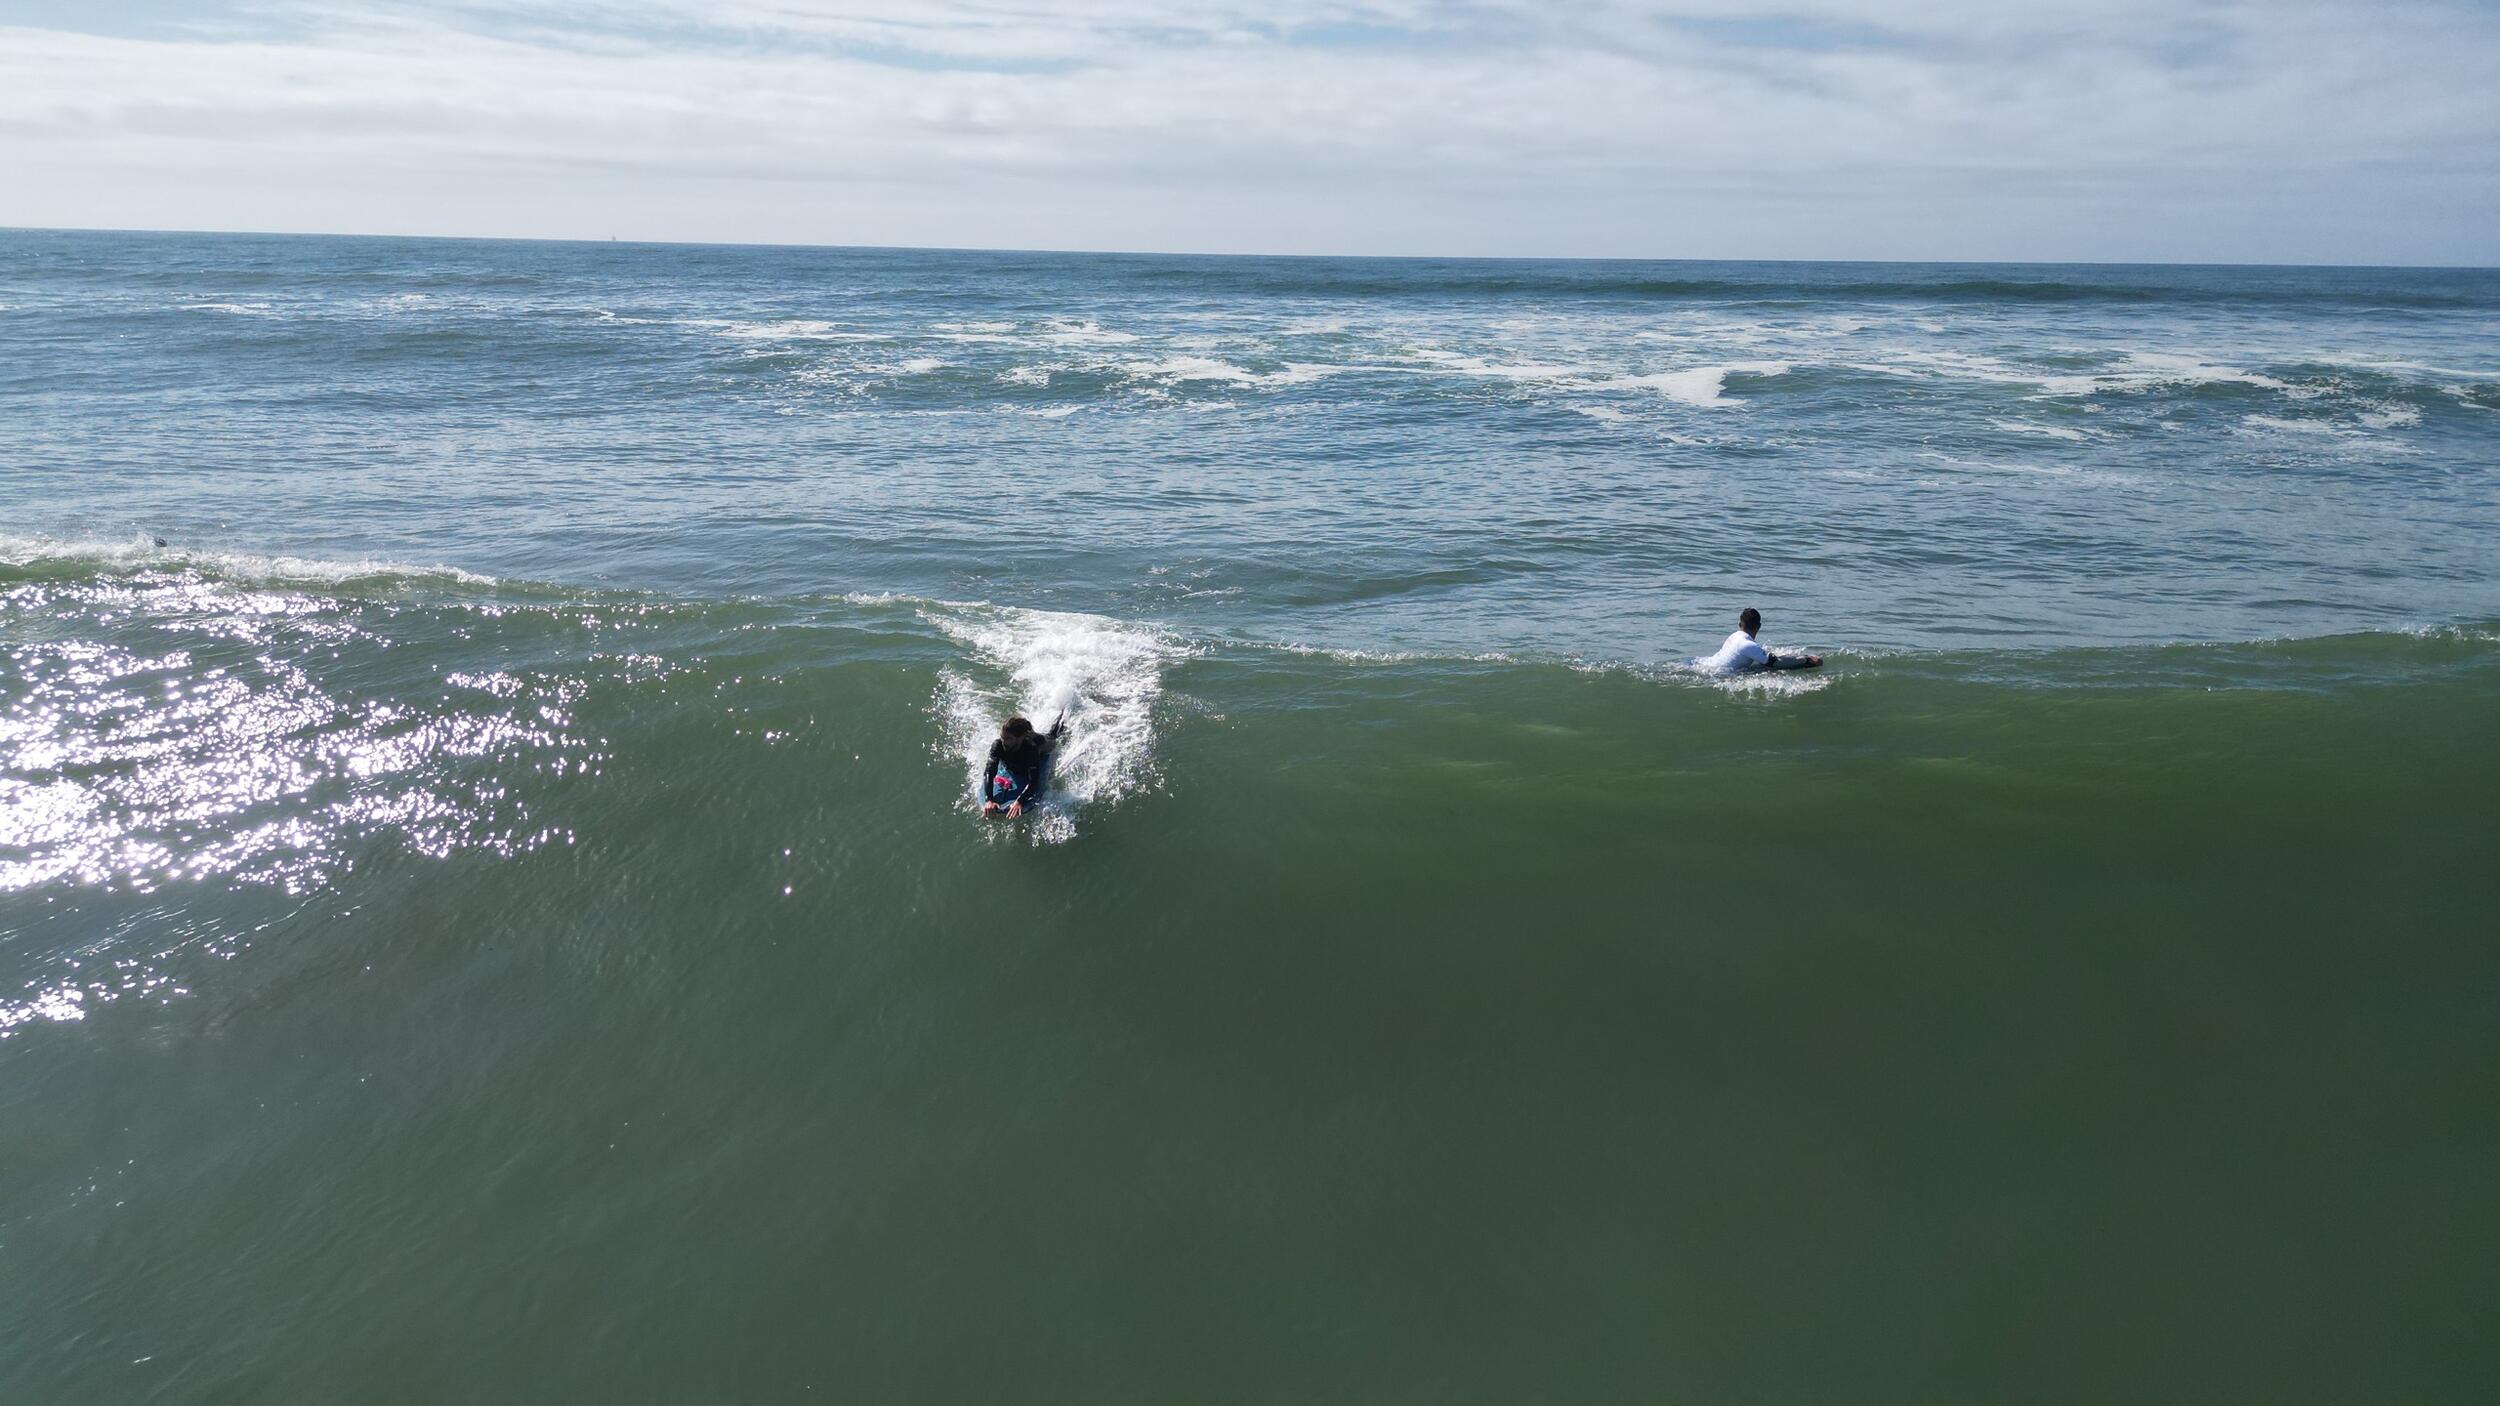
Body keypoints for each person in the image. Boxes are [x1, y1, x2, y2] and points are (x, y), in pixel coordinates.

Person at [979, 714, 1065, 818]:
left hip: (1043, 744)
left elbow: (1034, 780)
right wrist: (989, 800)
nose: (1004, 742)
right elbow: (989, 772)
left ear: (1020, 738)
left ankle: (1063, 716)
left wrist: (1020, 801)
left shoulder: (1030, 749)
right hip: (1019, 751)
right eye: (1002, 737)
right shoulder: (998, 745)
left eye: (1008, 738)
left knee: (1053, 736)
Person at [1700, 607, 1822, 672]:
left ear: (1739, 624)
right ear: (1759, 627)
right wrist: (1807, 660)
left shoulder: (1734, 636)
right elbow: (1775, 663)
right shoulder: (1748, 645)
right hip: (1718, 675)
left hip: (1706, 665)